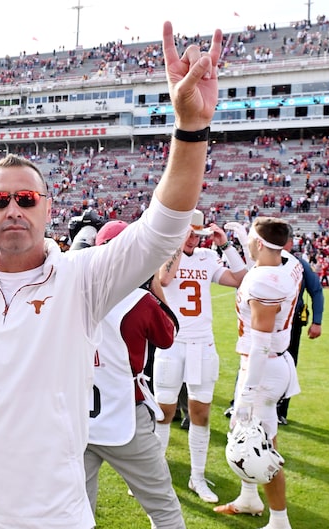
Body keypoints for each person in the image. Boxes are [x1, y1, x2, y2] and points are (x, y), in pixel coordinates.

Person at [0, 15, 220, 528]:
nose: (13, 208)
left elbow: (164, 227)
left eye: (26, 198)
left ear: (47, 208)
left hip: (53, 513)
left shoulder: (83, 278)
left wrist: (191, 129)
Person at [83, 220, 185, 529]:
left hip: (78, 417)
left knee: (75, 512)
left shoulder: (71, 295)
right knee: (162, 506)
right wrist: (152, 282)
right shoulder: (139, 301)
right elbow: (168, 335)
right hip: (126, 413)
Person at [214, 216, 303, 529]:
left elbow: (261, 343)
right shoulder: (287, 263)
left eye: (251, 236)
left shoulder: (264, 282)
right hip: (270, 363)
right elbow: (263, 262)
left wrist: (247, 394)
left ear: (262, 244)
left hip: (263, 369)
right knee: (246, 439)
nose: (249, 240)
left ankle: (280, 521)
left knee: (262, 447)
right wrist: (240, 243)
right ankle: (249, 498)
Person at [153, 211, 247, 504]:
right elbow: (164, 278)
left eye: (197, 233)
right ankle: (153, 476)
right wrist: (178, 244)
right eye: (190, 232)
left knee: (201, 414)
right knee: (163, 412)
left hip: (202, 343)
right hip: (172, 341)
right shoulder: (167, 252)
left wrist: (226, 246)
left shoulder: (207, 257)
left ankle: (197, 476)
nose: (194, 238)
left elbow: (241, 279)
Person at [276, 237, 324, 425]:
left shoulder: (299, 264)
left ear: (289, 243)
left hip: (291, 321)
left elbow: (316, 290)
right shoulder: (264, 260)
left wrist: (317, 321)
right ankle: (241, 404)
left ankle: (281, 409)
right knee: (251, 357)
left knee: (287, 363)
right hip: (267, 319)